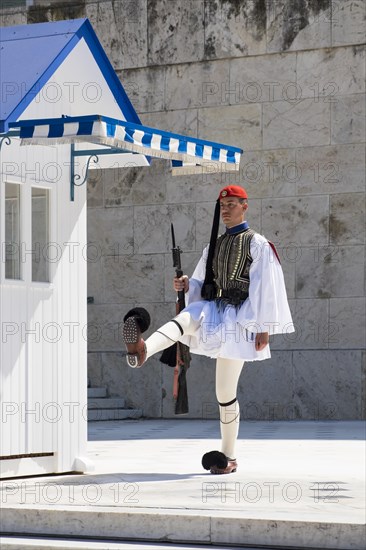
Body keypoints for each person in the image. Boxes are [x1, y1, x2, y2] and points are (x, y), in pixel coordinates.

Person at [123, 185, 294, 474]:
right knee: (191, 313)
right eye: (222, 205)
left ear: (245, 206)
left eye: (231, 204)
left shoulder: (257, 244)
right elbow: (203, 283)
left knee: (224, 393)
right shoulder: (213, 246)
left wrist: (264, 327)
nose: (225, 210)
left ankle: (228, 457)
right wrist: (187, 284)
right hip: (215, 309)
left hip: (241, 319)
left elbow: (267, 286)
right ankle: (143, 351)